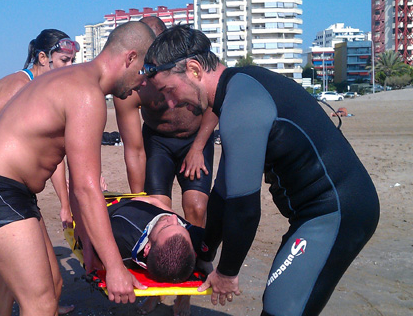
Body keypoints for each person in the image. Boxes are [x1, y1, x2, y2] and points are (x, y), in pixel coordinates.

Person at [143, 25, 380, 316]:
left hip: (337, 212)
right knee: (282, 304)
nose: (170, 102)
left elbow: (243, 208)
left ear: (193, 70)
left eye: (169, 90)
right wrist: (204, 253)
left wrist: (227, 272)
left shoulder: (241, 106)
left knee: (282, 307)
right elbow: (224, 192)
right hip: (318, 211)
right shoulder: (240, 90)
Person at [0, 21, 155, 315]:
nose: (143, 83)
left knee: (53, 286)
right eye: (144, 71)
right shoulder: (87, 93)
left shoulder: (73, 79)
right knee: (40, 303)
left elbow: (79, 178)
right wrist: (114, 267)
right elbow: (88, 189)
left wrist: (89, 245)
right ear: (129, 58)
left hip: (12, 192)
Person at [0, 29, 79, 316]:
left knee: (14, 261)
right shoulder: (20, 84)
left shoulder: (47, 89)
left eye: (73, 61)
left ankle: (15, 309)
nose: (69, 68)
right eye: (64, 60)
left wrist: (65, 203)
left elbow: (53, 155)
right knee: (16, 255)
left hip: (1, 175)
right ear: (43, 57)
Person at [113, 17, 217, 315]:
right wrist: (138, 201)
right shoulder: (134, 86)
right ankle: (157, 288)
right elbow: (133, 149)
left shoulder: (189, 69)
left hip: (195, 139)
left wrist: (198, 147)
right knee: (160, 210)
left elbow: (214, 102)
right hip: (157, 142)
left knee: (196, 206)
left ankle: (184, 290)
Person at [79, 196, 203, 283]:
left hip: (115, 209)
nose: (174, 217)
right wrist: (155, 202)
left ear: (147, 248)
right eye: (180, 225)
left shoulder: (121, 237)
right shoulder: (187, 238)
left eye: (166, 225)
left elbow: (84, 225)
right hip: (144, 205)